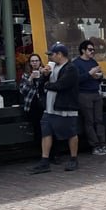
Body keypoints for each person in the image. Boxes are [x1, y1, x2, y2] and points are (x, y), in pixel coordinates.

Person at [30, 43, 80, 174]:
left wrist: (47, 84)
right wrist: (45, 75)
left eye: (52, 55)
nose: (50, 58)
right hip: (50, 106)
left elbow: (62, 85)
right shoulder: (52, 67)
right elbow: (41, 84)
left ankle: (74, 158)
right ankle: (44, 160)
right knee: (46, 131)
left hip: (66, 106)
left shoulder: (71, 68)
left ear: (59, 54)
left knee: (71, 132)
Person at [73, 40, 106, 156]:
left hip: (95, 92)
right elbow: (76, 80)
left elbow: (99, 77)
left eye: (93, 50)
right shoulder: (76, 63)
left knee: (99, 120)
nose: (92, 52)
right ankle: (95, 146)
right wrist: (89, 74)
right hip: (84, 94)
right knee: (89, 121)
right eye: (90, 50)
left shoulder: (93, 61)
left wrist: (99, 76)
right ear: (83, 50)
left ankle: (103, 144)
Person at [18, 54, 48, 153]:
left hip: (45, 104)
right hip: (33, 105)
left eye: (36, 60)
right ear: (30, 63)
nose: (34, 63)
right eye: (32, 61)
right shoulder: (26, 75)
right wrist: (30, 78)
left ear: (40, 62)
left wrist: (43, 74)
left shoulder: (45, 72)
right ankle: (41, 153)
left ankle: (52, 153)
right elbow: (23, 90)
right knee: (37, 129)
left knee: (48, 129)